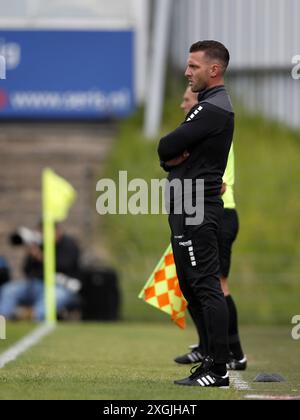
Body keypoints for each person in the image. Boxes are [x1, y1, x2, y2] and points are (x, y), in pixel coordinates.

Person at [158, 40, 234, 388]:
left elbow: (167, 145)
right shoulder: (206, 106)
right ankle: (211, 358)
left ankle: (219, 368)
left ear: (214, 70)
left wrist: (173, 154)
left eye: (193, 66)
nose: (187, 72)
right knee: (191, 286)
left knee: (206, 287)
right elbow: (168, 155)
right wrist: (172, 158)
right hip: (187, 207)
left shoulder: (214, 108)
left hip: (197, 210)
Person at [174, 86, 246, 371]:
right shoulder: (204, 131)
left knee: (215, 284)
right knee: (196, 282)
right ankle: (208, 347)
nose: (182, 105)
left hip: (218, 213)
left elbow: (220, 183)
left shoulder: (214, 130)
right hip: (199, 213)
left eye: (187, 100)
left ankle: (233, 352)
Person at [0, 224, 81, 321]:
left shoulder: (69, 245)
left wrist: (40, 256)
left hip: (60, 286)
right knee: (9, 289)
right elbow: (26, 270)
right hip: (36, 284)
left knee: (53, 296)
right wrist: (30, 255)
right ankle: (4, 319)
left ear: (57, 231)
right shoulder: (40, 245)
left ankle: (32, 318)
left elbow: (64, 265)